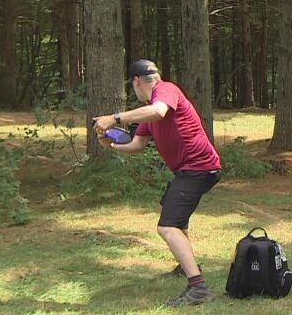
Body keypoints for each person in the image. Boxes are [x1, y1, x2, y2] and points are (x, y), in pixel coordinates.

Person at [93, 59, 221, 307]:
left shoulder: (165, 91)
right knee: (176, 219)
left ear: (137, 82)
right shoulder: (148, 111)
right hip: (190, 170)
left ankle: (199, 288)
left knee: (167, 226)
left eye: (133, 88)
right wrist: (112, 145)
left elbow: (159, 111)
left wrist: (115, 117)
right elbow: (137, 145)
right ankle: (187, 267)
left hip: (199, 167)